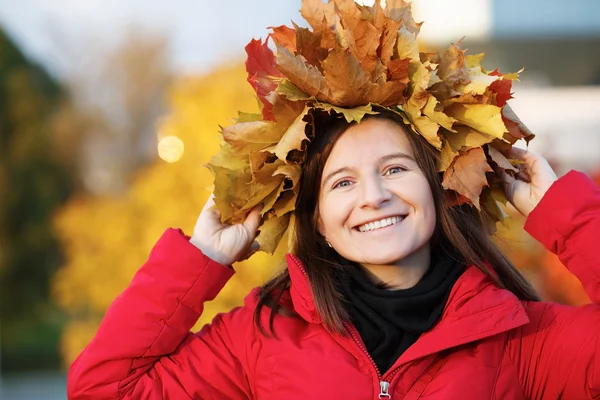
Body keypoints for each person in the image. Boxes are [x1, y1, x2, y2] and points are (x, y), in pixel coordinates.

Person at [67, 1, 600, 398]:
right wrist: (200, 259)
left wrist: (564, 213)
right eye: (342, 182)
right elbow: (102, 390)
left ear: (440, 191)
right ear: (317, 219)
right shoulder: (261, 337)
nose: (373, 196)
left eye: (395, 169)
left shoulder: (520, 341)